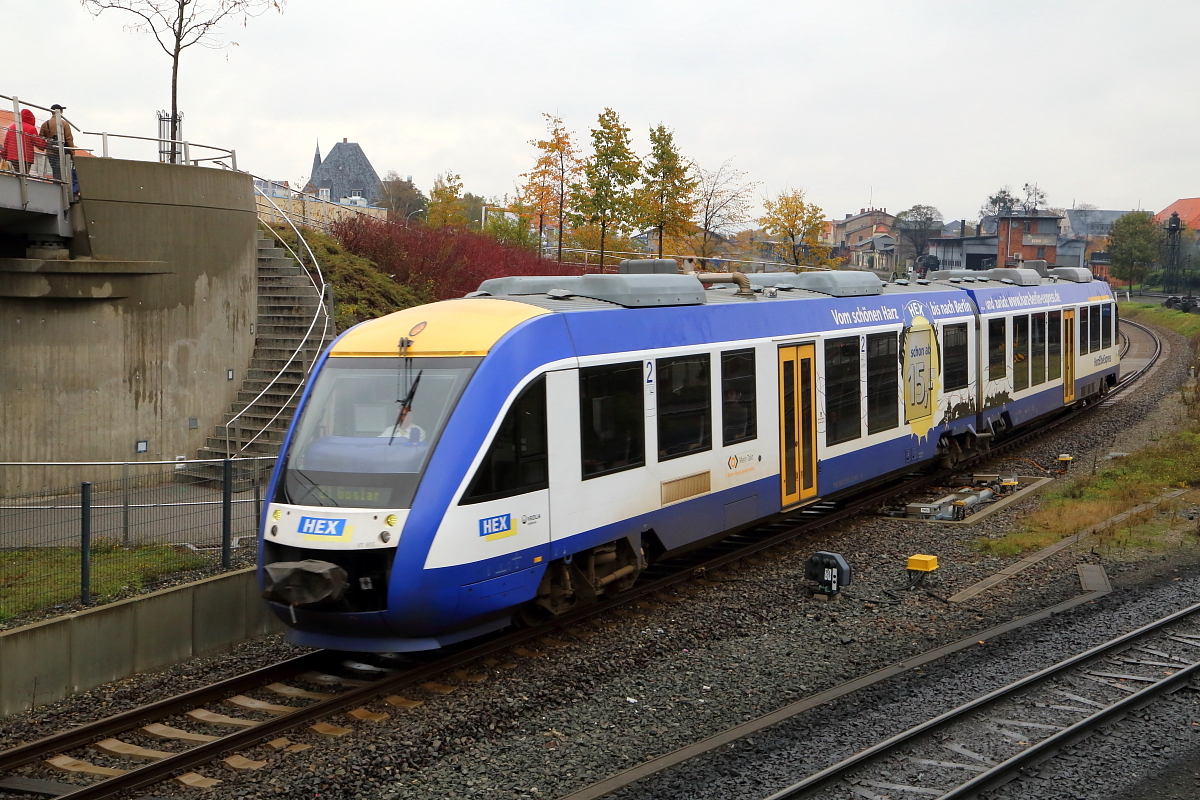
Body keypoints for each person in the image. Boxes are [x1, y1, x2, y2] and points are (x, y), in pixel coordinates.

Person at [2, 109, 44, 174]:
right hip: (26, 157)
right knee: (24, 175)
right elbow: (38, 143)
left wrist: (3, 154)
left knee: (18, 173)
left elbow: (6, 142)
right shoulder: (31, 128)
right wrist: (46, 144)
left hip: (13, 156)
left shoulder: (12, 127)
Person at [39, 104, 74, 181]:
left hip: (50, 151)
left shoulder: (45, 124)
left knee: (55, 170)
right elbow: (69, 139)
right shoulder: (64, 123)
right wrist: (72, 152)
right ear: (60, 112)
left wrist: (48, 144)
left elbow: (40, 138)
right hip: (62, 152)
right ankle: (60, 187)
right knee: (61, 171)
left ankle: (56, 184)